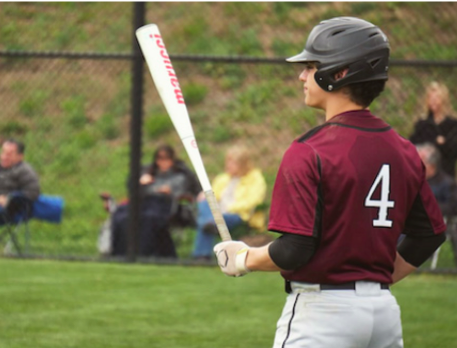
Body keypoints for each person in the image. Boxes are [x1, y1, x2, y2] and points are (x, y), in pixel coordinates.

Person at [213, 17, 446, 348]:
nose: (302, 76)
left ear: (338, 74)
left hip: (322, 315)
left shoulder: (309, 150)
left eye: (310, 66)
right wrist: (375, 281)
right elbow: (430, 234)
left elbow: (294, 249)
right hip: (384, 314)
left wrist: (242, 258)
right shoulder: (405, 150)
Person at [105, 144, 201, 258]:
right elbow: (133, 191)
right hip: (144, 202)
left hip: (164, 205)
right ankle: (119, 253)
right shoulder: (149, 174)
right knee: (120, 216)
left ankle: (143, 253)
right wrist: (141, 184)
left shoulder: (180, 177)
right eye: (160, 159)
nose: (163, 163)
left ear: (172, 160)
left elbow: (185, 194)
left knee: (148, 218)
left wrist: (171, 192)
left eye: (166, 159)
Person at [192, 145, 267, 260]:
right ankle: (210, 222)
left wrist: (230, 208)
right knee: (204, 202)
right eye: (228, 161)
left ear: (242, 164)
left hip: (239, 215)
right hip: (217, 213)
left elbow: (253, 201)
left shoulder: (255, 178)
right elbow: (213, 195)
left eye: (232, 162)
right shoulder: (223, 178)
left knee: (210, 220)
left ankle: (201, 255)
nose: (228, 165)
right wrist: (204, 195)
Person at [416, 142, 457, 265]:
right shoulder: (413, 181)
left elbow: (452, 207)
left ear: (431, 165)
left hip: (434, 222)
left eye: (419, 160)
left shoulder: (447, 184)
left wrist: (428, 208)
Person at [410, 81, 457, 177]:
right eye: (430, 98)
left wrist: (443, 143)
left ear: (444, 100)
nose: (433, 101)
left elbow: (453, 149)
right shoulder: (422, 124)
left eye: (437, 98)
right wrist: (436, 142)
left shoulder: (452, 124)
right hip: (425, 175)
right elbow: (414, 144)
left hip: (446, 173)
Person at [0, 139, 40, 222]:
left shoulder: (24, 170)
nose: (4, 157)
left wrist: (9, 198)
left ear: (20, 156)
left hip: (9, 210)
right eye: (3, 152)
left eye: (9, 154)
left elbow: (33, 192)